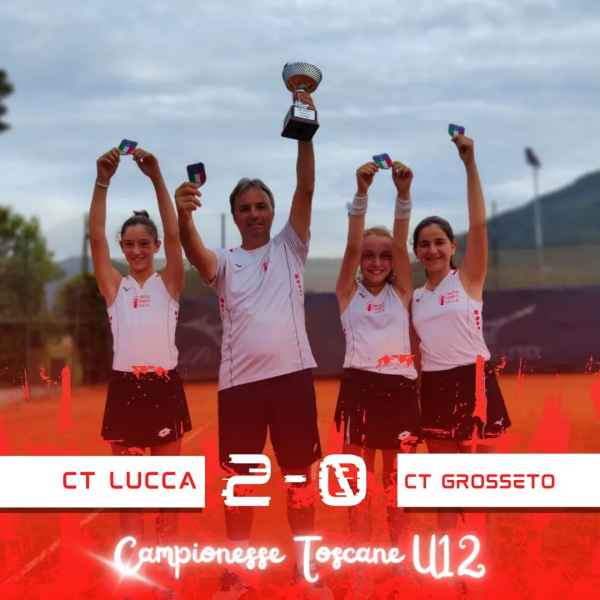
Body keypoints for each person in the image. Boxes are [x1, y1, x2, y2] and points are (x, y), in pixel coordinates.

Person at [175, 91, 325, 595]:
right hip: (240, 388)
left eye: (262, 206)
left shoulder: (291, 247)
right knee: (240, 483)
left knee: (300, 478)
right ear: (235, 216)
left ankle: (305, 571)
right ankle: (237, 573)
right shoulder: (224, 262)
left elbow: (306, 187)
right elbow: (194, 252)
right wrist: (183, 215)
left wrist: (305, 131)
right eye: (246, 208)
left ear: (273, 211)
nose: (255, 214)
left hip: (292, 380)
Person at [90, 146, 191, 544]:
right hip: (125, 390)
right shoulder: (115, 287)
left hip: (164, 387)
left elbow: (176, 233)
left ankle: (165, 565)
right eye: (129, 245)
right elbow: (96, 238)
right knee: (130, 491)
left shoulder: (170, 283)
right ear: (122, 247)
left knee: (166, 490)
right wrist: (102, 182)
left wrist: (156, 177)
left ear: (157, 246)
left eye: (144, 244)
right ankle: (132, 567)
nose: (136, 251)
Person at [411, 133, 511, 529]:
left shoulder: (468, 279)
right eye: (424, 244)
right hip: (435, 385)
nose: (432, 250)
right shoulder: (416, 297)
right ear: (416, 252)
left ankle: (479, 553)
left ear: (453, 247)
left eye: (439, 242)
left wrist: (470, 164)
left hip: (475, 382)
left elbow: (478, 224)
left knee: (479, 485)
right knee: (445, 487)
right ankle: (451, 557)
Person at [334, 160, 419, 545]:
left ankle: (398, 555)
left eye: (384, 256)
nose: (377, 262)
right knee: (358, 479)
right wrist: (361, 194)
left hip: (400, 390)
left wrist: (403, 196)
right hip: (359, 389)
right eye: (369, 256)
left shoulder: (401, 293)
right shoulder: (346, 293)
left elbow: (400, 245)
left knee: (396, 480)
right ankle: (361, 559)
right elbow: (353, 245)